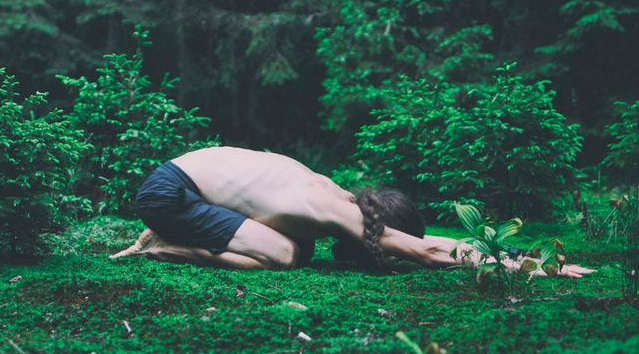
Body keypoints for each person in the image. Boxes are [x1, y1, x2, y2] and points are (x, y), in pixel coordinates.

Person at [111, 146, 594, 278]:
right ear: (382, 226)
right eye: (390, 245)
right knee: (285, 256)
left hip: (181, 181)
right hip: (170, 195)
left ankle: (168, 233)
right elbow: (428, 251)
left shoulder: (333, 194)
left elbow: (423, 243)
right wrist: (529, 264)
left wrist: (509, 250)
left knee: (298, 246)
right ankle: (163, 245)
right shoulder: (338, 212)